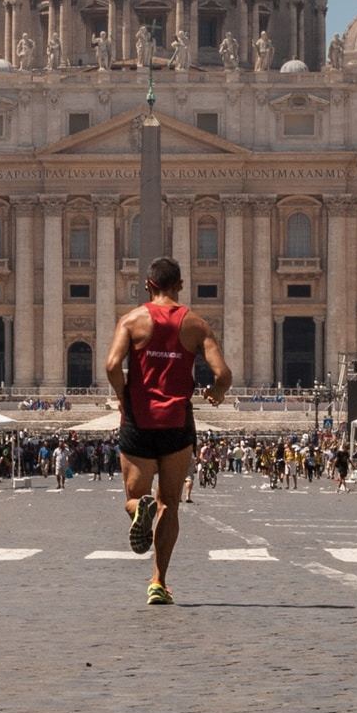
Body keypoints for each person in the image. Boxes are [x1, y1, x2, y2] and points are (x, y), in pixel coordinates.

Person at [104, 255, 231, 606]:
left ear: (148, 285)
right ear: (180, 286)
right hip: (177, 422)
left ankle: (139, 508)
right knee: (171, 504)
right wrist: (216, 394)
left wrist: (122, 395)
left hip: (139, 421)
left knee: (136, 498)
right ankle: (158, 582)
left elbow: (112, 364)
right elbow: (223, 375)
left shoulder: (132, 321)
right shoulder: (196, 324)